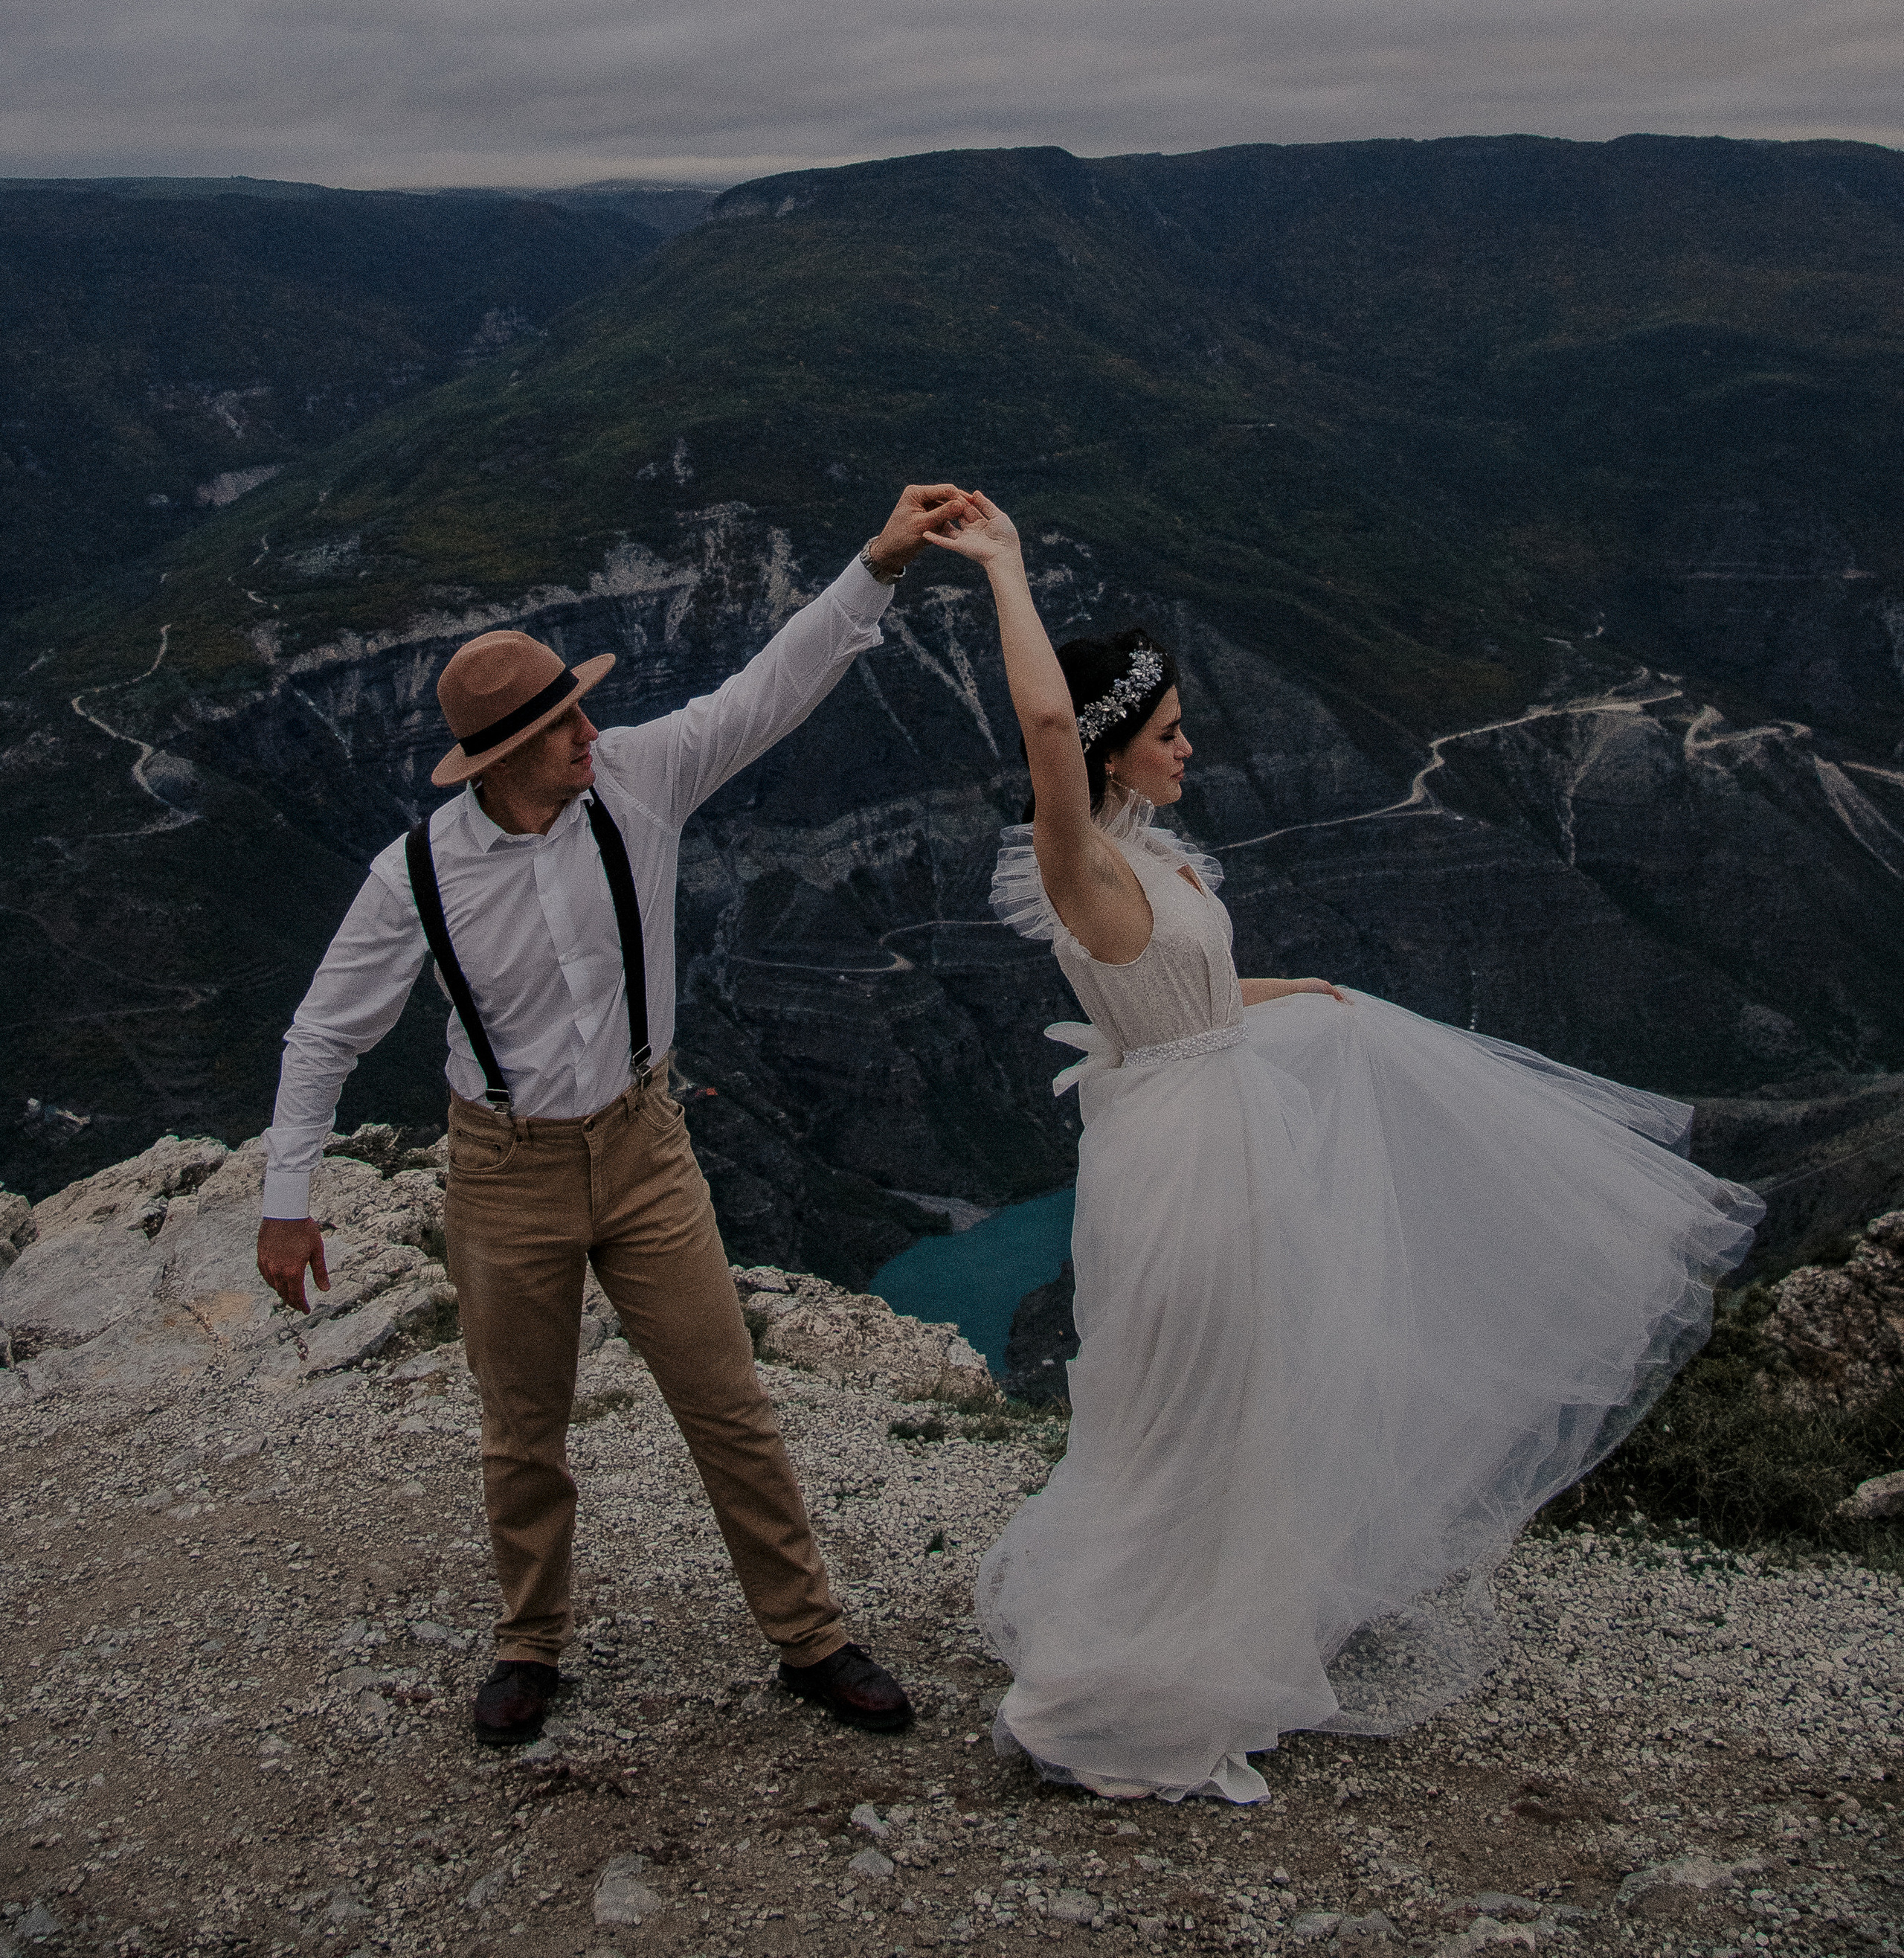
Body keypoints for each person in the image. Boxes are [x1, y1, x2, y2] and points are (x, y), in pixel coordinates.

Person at [924, 492, 1763, 1804]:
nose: (1192, 746)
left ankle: (1198, 1637)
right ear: (1104, 754)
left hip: (1218, 1133)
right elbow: (1042, 723)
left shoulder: (1146, 854)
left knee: (1233, 1410)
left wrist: (1305, 997)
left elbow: (1181, 1003)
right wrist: (1006, 570)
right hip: (1186, 1172)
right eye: (1167, 731)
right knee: (1191, 1413)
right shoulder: (1078, 854)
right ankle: (1107, 1690)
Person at [257, 483, 971, 1745]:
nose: (590, 727)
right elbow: (326, 1032)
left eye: (581, 707)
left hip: (646, 1146)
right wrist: (285, 1202)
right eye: (562, 720)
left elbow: (766, 690)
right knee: (522, 1430)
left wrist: (878, 561)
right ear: (502, 754)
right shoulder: (418, 874)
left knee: (727, 1400)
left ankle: (809, 1638)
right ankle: (531, 1646)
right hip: (501, 1171)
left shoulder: (636, 777)